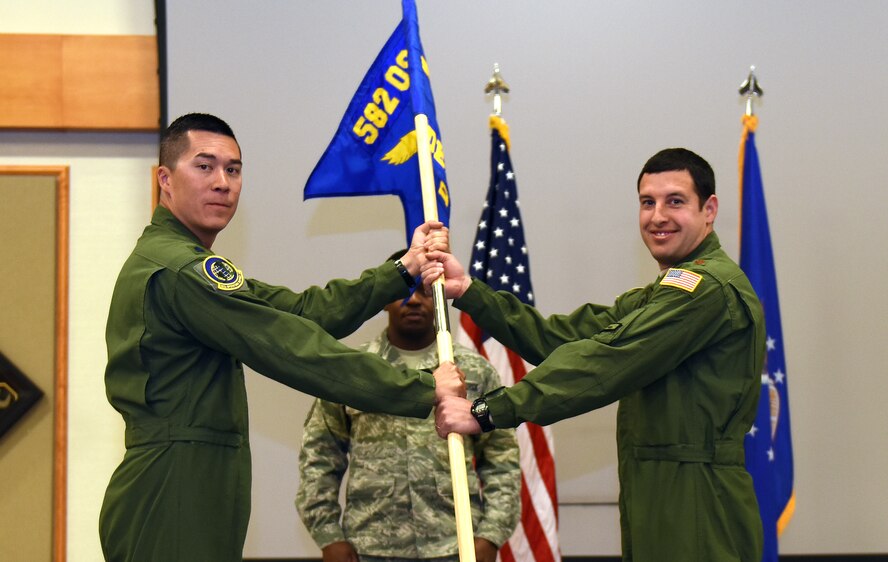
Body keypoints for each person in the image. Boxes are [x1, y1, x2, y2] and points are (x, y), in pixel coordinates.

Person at [99, 113, 464, 562]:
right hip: (176, 483)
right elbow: (292, 349)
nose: (222, 182)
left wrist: (401, 271)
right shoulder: (182, 272)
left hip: (193, 477)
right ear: (165, 179)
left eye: (233, 170)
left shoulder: (188, 264)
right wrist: (425, 388)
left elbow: (303, 313)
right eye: (204, 166)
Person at [424, 148, 766, 562]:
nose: (658, 216)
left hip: (697, 497)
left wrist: (485, 412)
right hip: (658, 489)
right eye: (647, 202)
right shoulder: (663, 293)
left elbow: (607, 361)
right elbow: (559, 340)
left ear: (708, 209)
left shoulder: (706, 289)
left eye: (675, 201)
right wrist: (470, 293)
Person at [296, 250, 521, 562]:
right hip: (369, 547)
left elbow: (501, 458)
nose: (414, 300)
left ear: (440, 296)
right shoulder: (353, 369)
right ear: (387, 299)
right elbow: (319, 457)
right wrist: (328, 535)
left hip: (454, 545)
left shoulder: (473, 370)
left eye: (425, 290)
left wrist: (491, 535)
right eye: (404, 290)